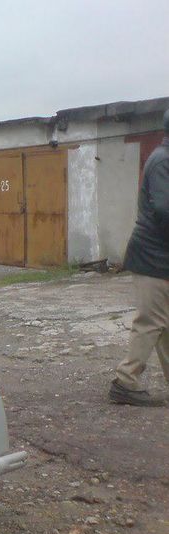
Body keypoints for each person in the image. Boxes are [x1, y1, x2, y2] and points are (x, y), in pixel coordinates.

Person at [109, 109, 169, 406]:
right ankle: (125, 382)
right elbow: (164, 210)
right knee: (150, 323)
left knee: (164, 324)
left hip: (161, 258)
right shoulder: (163, 161)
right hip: (152, 257)